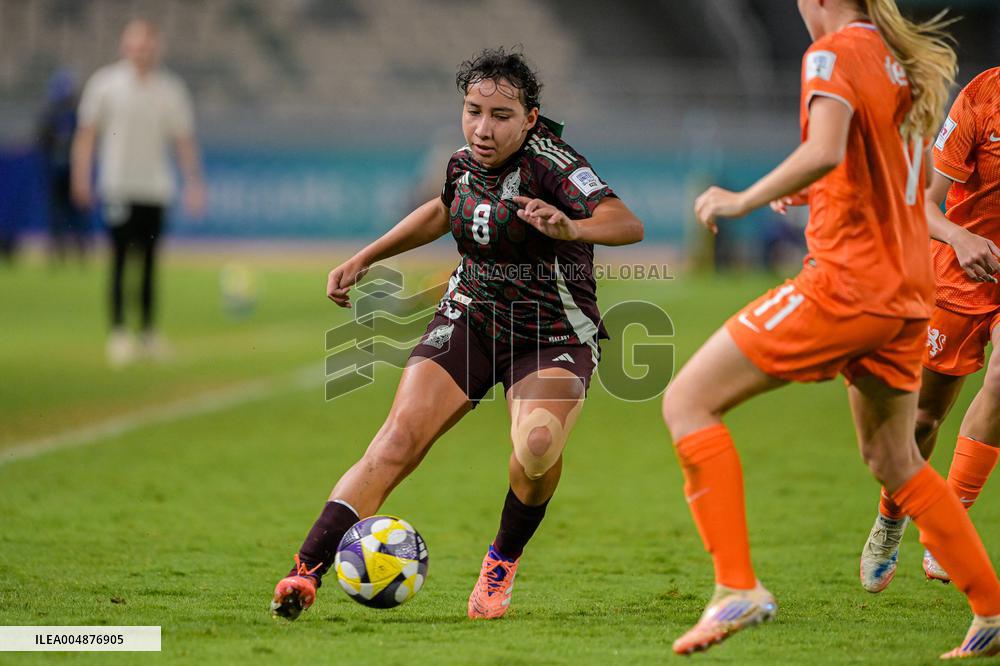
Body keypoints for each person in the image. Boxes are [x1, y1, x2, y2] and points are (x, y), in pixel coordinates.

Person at [660, 0, 1000, 658]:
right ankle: (990, 606)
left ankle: (737, 586)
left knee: (687, 401)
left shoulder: (833, 54)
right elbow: (883, 174)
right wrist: (815, 191)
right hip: (907, 294)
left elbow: (822, 150)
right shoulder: (898, 61)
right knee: (896, 459)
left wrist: (744, 198)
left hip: (846, 287)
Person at [270, 47, 643, 622]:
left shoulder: (555, 165)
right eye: (473, 111)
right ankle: (306, 571)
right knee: (396, 440)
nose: (482, 128)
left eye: (499, 116)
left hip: (552, 332)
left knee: (536, 449)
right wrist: (365, 257)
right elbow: (444, 211)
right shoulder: (461, 164)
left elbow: (626, 223)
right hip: (471, 314)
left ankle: (501, 561)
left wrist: (572, 224)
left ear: (530, 119)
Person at [861, 66, 1000, 591]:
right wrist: (960, 239)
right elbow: (921, 201)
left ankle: (948, 527)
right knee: (922, 419)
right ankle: (891, 519)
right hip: (960, 275)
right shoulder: (982, 98)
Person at [71, 18, 205, 367]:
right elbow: (86, 134)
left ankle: (146, 332)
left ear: (155, 48)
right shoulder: (106, 85)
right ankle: (118, 333)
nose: (141, 51)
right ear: (124, 47)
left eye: (146, 45)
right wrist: (81, 176)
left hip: (155, 188)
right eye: (135, 45)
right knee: (118, 260)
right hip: (118, 186)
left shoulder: (170, 89)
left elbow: (183, 140)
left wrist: (193, 182)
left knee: (148, 262)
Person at [38, 69, 89, 265]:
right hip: (60, 171)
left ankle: (75, 250)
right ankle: (63, 251)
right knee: (64, 213)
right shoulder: (55, 114)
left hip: (69, 171)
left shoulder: (71, 114)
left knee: (71, 213)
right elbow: (43, 142)